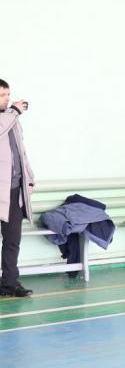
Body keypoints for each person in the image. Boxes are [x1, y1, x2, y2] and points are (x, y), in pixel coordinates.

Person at [0, 79, 34, 298]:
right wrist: (14, 111)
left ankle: (9, 283)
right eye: (3, 95)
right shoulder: (10, 117)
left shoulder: (12, 119)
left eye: (8, 94)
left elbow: (21, 152)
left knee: (12, 240)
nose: (8, 99)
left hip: (13, 191)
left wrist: (29, 179)